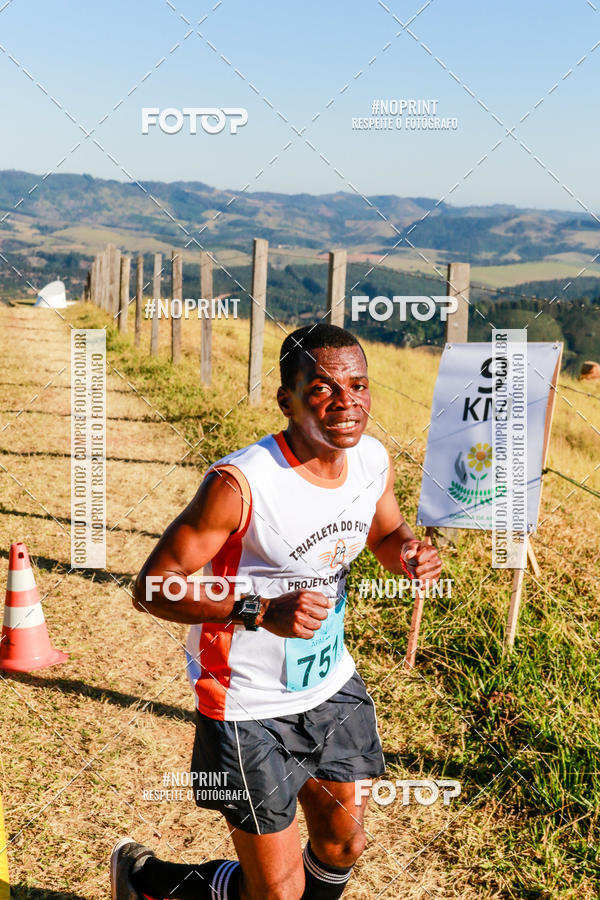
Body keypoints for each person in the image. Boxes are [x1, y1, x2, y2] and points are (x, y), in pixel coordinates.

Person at [111, 323, 442, 900]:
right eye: (322, 388)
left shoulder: (370, 461)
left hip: (329, 682)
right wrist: (258, 609)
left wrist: (408, 554)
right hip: (247, 702)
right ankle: (152, 885)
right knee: (278, 893)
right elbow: (153, 588)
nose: (347, 402)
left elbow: (386, 531)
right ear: (286, 399)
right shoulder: (242, 483)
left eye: (358, 385)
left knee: (343, 843)